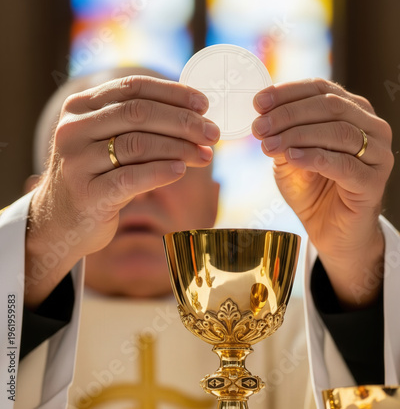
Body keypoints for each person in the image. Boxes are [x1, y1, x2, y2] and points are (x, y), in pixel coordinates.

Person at [0, 68, 398, 409]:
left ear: (214, 202)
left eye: (170, 160)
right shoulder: (12, 333)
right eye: (109, 164)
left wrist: (355, 265)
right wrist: (38, 238)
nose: (138, 189)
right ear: (42, 197)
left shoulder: (290, 337)